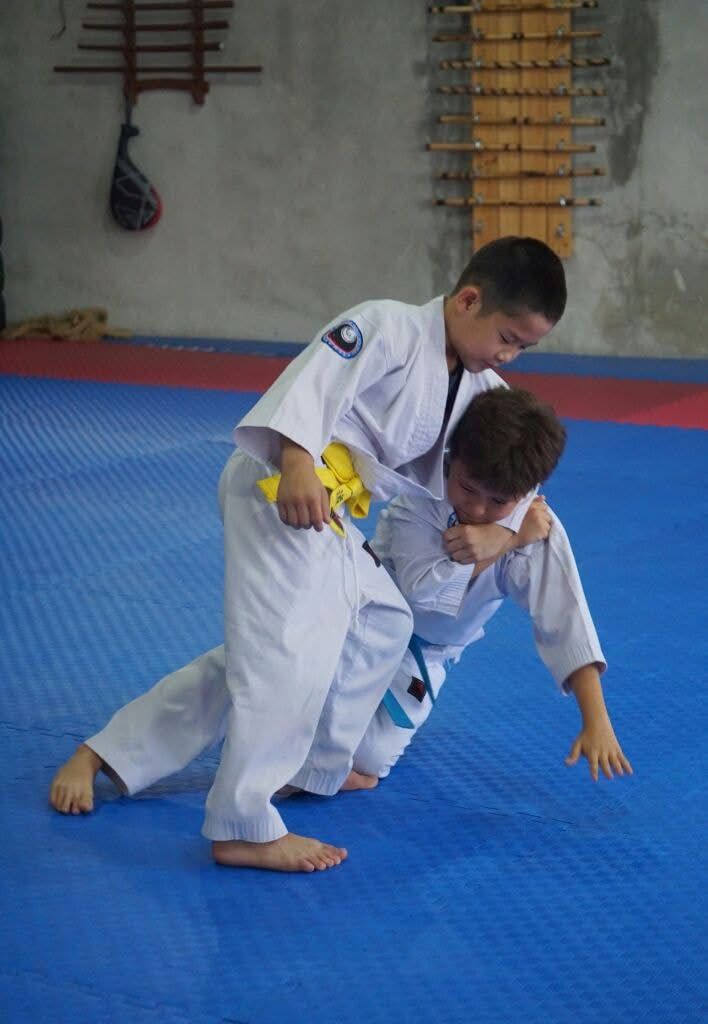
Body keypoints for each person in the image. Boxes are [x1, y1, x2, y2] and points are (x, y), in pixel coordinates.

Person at [49, 236, 568, 873]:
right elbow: (314, 381)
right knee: (284, 662)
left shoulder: (477, 386)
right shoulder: (386, 325)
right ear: (468, 300)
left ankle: (145, 756)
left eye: (524, 347)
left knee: (381, 622)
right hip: (282, 493)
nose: (511, 355)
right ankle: (244, 824)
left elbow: (518, 481)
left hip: (328, 520)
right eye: (510, 337)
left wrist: (507, 533)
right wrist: (297, 457)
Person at [349, 387, 633, 786]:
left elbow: (566, 617)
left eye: (498, 501)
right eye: (466, 488)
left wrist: (596, 720)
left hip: (426, 653)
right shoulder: (421, 496)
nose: (477, 509)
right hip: (363, 619)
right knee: (296, 699)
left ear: (526, 490)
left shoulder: (539, 527)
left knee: (370, 756)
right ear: (452, 461)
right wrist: (504, 539)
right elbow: (421, 591)